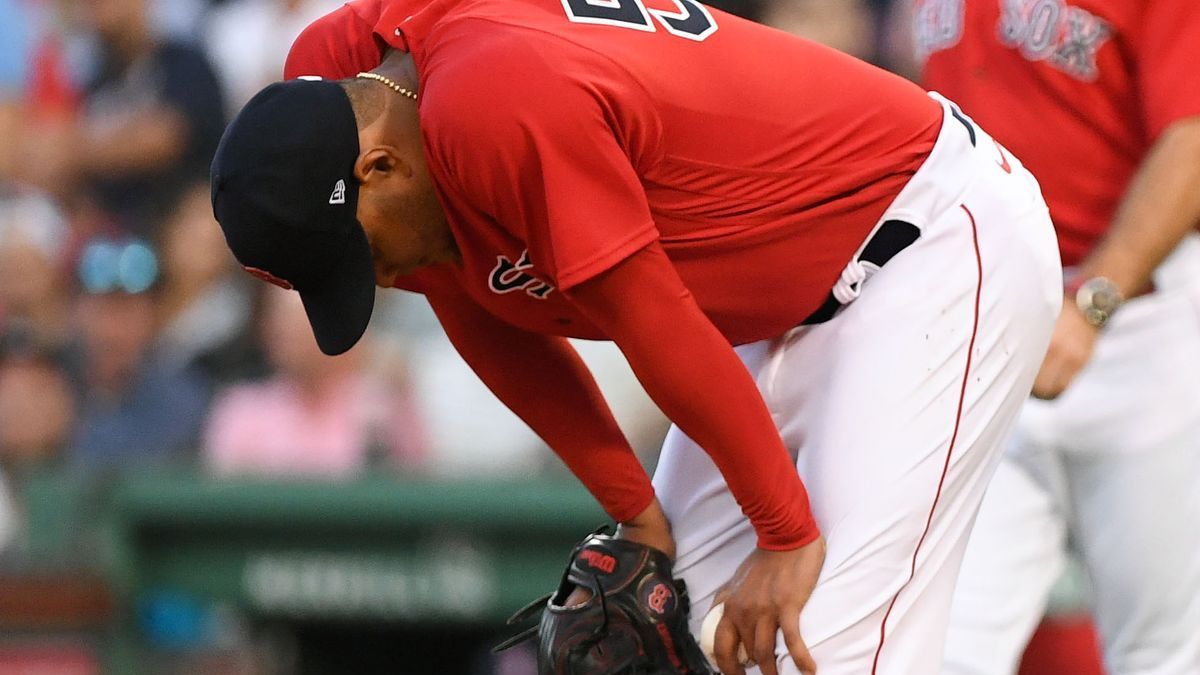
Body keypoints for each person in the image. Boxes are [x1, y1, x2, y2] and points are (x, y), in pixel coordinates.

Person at [209, 0, 1062, 672]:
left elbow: (648, 317)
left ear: (378, 167)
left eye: (363, 255)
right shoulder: (339, 96)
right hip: (777, 312)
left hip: (929, 240)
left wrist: (786, 532)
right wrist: (638, 519)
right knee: (681, 616)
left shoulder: (489, 101)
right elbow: (484, 310)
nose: (383, 279)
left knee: (822, 642)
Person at [914, 1, 1200, 673]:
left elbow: (1191, 138)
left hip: (1142, 321)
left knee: (1161, 649)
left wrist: (1094, 300)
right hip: (984, 314)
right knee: (948, 642)